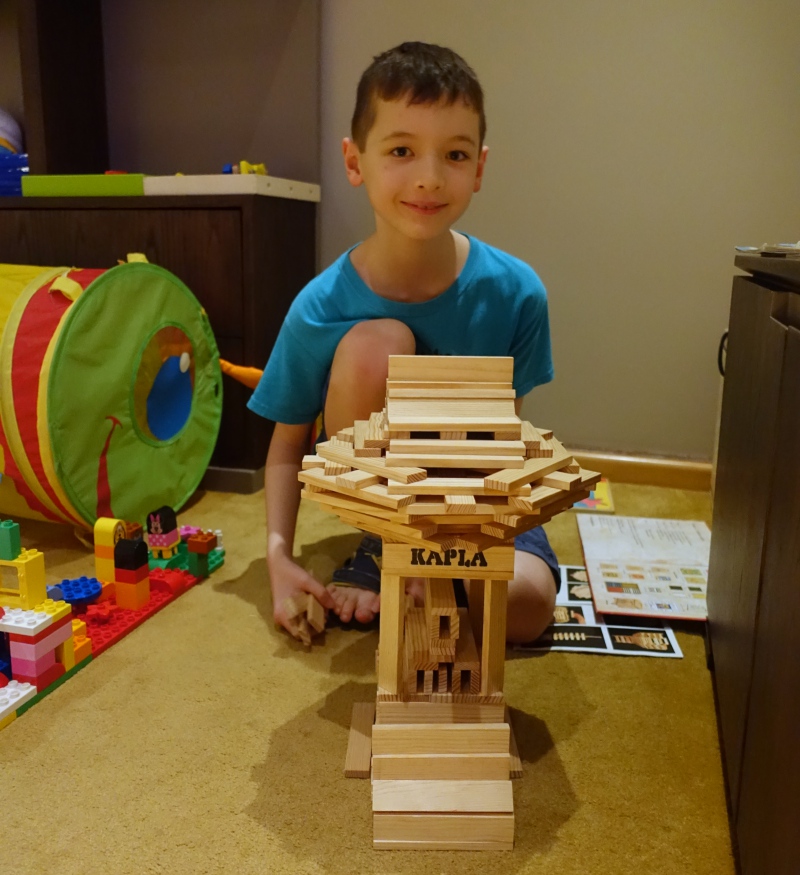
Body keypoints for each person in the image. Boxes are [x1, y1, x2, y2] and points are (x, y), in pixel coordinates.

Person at [248, 41, 559, 644]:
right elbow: (286, 449)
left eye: (455, 154)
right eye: (400, 150)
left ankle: (415, 569)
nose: (428, 177)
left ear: (480, 168)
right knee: (376, 343)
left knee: (524, 608)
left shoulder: (518, 293)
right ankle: (385, 546)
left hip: (475, 494)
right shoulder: (320, 307)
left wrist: (456, 546)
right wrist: (278, 559)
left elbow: (505, 441)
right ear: (354, 160)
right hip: (381, 499)